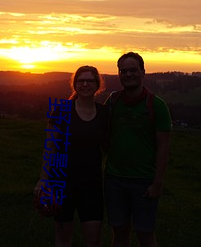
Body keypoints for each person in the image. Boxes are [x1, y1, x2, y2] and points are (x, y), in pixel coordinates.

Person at [34, 66, 108, 247]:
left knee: (93, 239)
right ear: (74, 85)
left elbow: (108, 147)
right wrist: (44, 180)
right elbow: (49, 148)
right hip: (61, 183)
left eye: (90, 80)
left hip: (92, 183)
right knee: (63, 239)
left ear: (97, 85)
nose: (85, 84)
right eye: (80, 80)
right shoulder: (61, 111)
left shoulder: (104, 113)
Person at [104, 52, 172, 247]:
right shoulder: (113, 101)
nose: (128, 75)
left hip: (144, 182)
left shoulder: (157, 106)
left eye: (133, 70)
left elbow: (164, 149)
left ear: (143, 72)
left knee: (145, 234)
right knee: (119, 233)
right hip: (114, 179)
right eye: (123, 71)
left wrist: (157, 183)